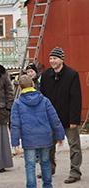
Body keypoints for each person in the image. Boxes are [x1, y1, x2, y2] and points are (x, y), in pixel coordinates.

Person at [11, 75, 65, 188]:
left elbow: (15, 124)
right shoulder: (45, 100)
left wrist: (15, 143)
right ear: (33, 85)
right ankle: (48, 185)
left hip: (29, 140)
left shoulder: (17, 104)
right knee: (45, 163)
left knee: (30, 165)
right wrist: (60, 136)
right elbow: (54, 119)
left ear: (20, 88)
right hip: (45, 138)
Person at [40, 47, 82, 184]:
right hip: (51, 118)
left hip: (68, 117)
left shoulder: (72, 74)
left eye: (55, 58)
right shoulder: (46, 75)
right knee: (48, 146)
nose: (52, 61)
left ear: (62, 59)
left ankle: (75, 172)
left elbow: (76, 98)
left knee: (74, 146)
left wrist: (74, 119)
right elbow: (42, 97)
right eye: (51, 58)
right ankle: (49, 169)